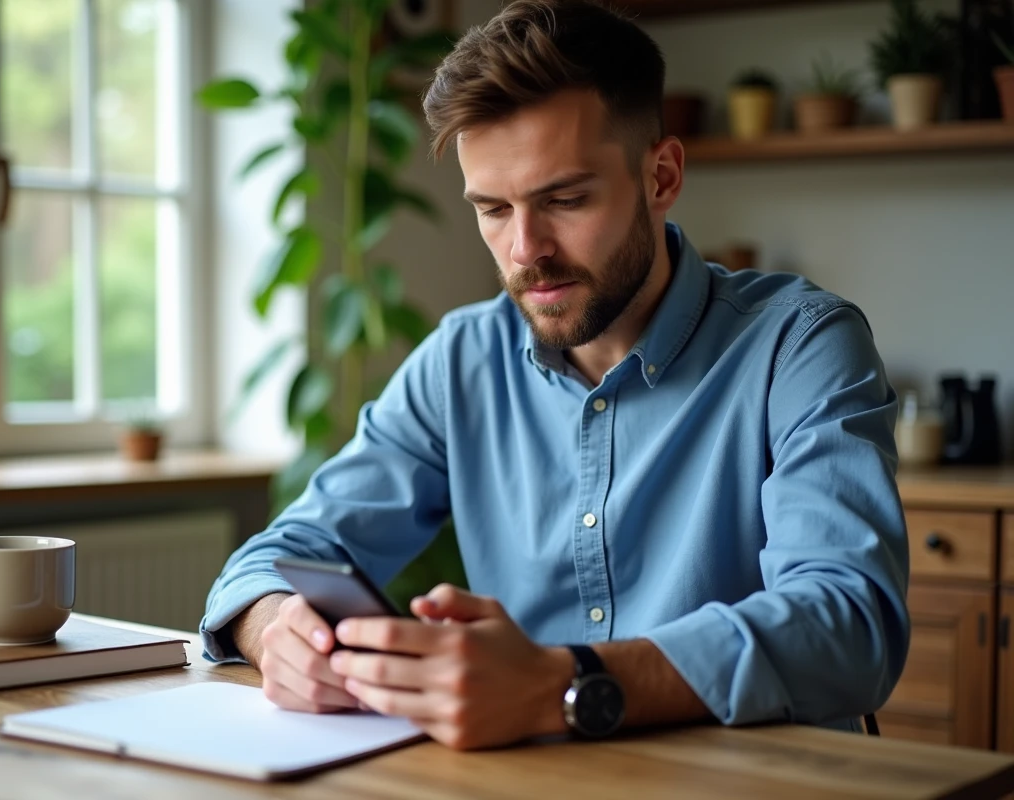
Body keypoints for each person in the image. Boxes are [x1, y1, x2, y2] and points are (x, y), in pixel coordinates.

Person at [201, 0, 909, 751]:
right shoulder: (461, 361)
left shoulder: (799, 344)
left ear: (661, 175)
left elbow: (850, 622)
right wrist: (278, 629)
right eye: (493, 209)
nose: (524, 249)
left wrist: (564, 682)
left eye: (564, 200)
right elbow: (275, 559)